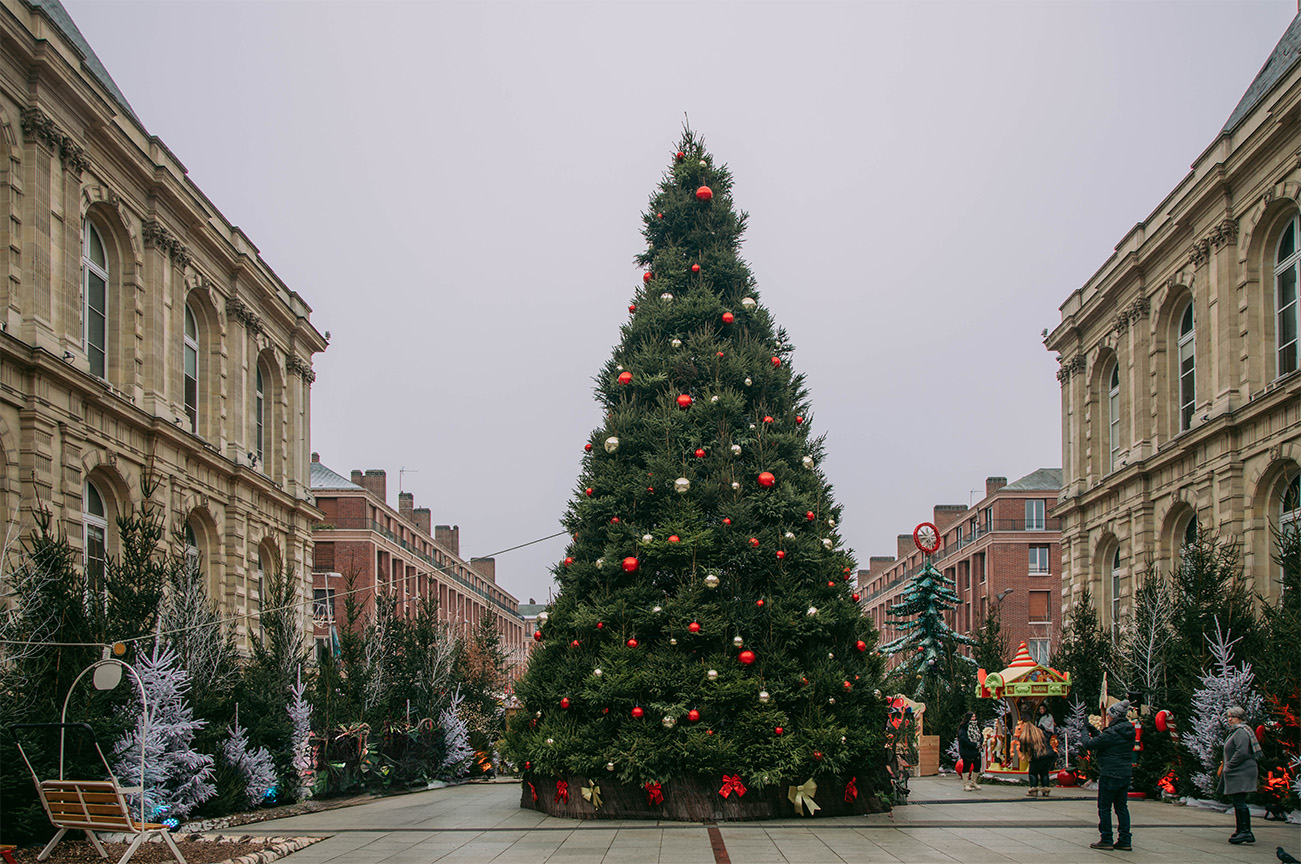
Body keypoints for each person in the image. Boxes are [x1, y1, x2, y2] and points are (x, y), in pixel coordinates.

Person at [1082, 699, 1136, 852]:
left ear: (1114, 716)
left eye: (1109, 715)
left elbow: (1090, 745)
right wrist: (1093, 730)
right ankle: (1125, 840)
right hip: (1125, 773)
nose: (1108, 717)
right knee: (1121, 807)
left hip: (1110, 773)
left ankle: (1106, 838)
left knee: (1104, 807)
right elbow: (1105, 740)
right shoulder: (1127, 730)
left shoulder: (1113, 732)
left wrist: (1084, 732)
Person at [1221, 705, 1261, 845]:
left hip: (1241, 771)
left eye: (1232, 716)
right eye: (1228, 716)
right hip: (1239, 771)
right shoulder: (1238, 731)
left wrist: (1229, 765)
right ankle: (1241, 830)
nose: (1229, 719)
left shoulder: (1241, 732)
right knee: (1237, 800)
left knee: (1239, 801)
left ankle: (1246, 831)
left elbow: (1242, 751)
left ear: (1240, 718)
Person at [1018, 721, 1056, 797]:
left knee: (1033, 773)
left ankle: (1033, 789)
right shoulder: (1041, 733)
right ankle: (1045, 790)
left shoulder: (1025, 737)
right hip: (1050, 755)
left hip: (1037, 756)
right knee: (1044, 772)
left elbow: (1022, 750)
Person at [958, 711, 982, 792]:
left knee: (978, 765)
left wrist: (980, 742)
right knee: (967, 766)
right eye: (972, 717)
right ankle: (966, 784)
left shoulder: (977, 726)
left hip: (976, 749)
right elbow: (963, 738)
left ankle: (973, 782)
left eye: (974, 717)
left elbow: (980, 735)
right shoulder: (964, 727)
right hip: (967, 750)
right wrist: (972, 744)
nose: (974, 719)